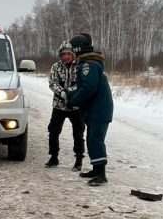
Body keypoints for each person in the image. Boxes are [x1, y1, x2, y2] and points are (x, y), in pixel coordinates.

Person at [66, 33, 114, 186]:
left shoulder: (89, 65)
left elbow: (89, 88)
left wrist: (74, 100)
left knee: (95, 140)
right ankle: (96, 169)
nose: (72, 53)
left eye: (72, 50)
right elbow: (84, 87)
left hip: (98, 111)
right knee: (93, 139)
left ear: (78, 49)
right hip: (96, 110)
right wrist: (71, 93)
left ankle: (101, 174)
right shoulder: (90, 64)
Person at [46, 41, 85, 170]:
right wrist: (62, 93)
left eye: (69, 54)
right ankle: (53, 157)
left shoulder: (80, 66)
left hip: (76, 106)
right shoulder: (56, 67)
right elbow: (52, 82)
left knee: (78, 133)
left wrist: (71, 93)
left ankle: (79, 159)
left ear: (73, 54)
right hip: (59, 106)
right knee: (53, 131)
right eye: (64, 54)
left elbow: (82, 83)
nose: (66, 56)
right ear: (60, 55)